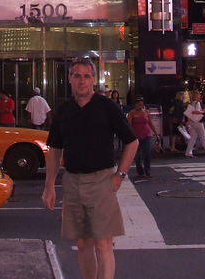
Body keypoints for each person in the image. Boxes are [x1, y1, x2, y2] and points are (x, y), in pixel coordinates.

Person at [43, 58, 137, 279]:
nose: (82, 81)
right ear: (70, 79)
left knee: (103, 243)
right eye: (77, 76)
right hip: (73, 181)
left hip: (101, 181)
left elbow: (132, 142)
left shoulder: (107, 107)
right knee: (83, 242)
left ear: (93, 80)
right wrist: (49, 186)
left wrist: (120, 176)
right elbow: (54, 150)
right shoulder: (64, 111)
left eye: (86, 76)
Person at [126, 97, 156, 178]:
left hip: (146, 135)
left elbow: (150, 123)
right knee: (138, 155)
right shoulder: (131, 113)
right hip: (136, 136)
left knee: (147, 153)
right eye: (139, 104)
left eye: (142, 104)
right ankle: (140, 171)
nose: (140, 106)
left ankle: (148, 171)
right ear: (135, 105)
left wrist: (156, 133)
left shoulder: (146, 112)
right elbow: (129, 125)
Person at [184, 91, 205, 157]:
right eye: (198, 95)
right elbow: (197, 112)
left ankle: (188, 152)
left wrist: (188, 121)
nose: (199, 96)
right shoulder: (198, 103)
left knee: (192, 138)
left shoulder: (191, 103)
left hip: (192, 122)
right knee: (203, 138)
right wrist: (203, 111)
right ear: (197, 96)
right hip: (198, 122)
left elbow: (188, 113)